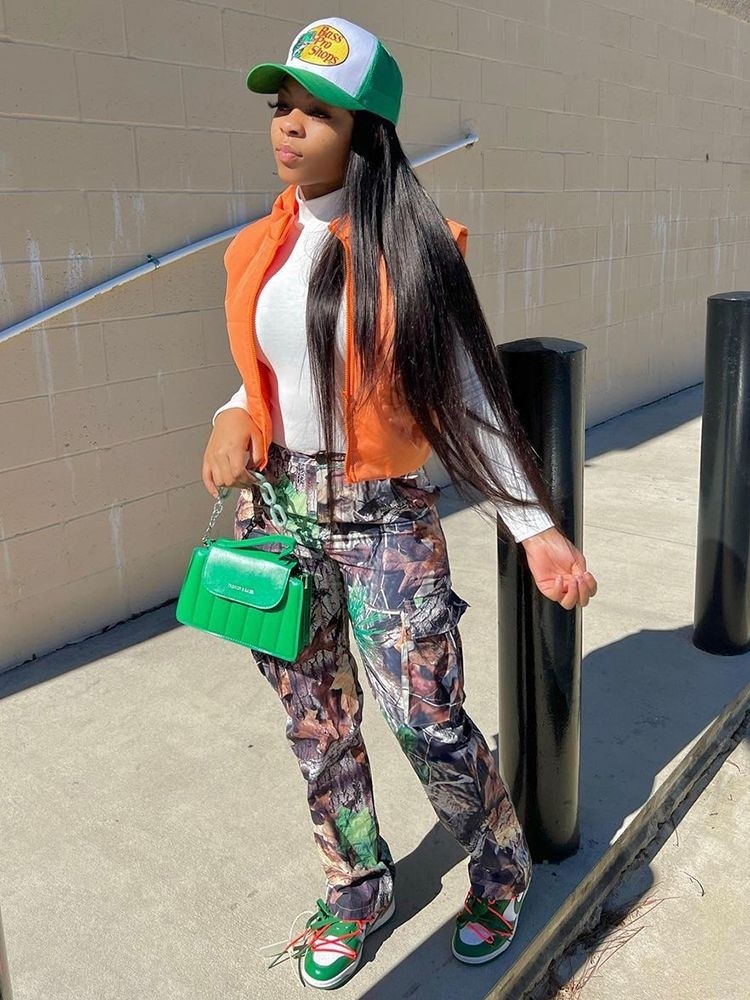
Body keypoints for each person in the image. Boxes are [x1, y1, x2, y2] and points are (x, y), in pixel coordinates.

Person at [202, 16, 598, 991]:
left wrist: (535, 528)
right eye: (281, 105)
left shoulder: (418, 253)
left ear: (365, 131)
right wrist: (229, 414)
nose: (288, 125)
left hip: (384, 519)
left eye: (317, 112)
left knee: (427, 718)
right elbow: (272, 375)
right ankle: (356, 888)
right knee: (317, 724)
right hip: (280, 513)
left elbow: (469, 399)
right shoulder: (259, 246)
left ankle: (499, 869)